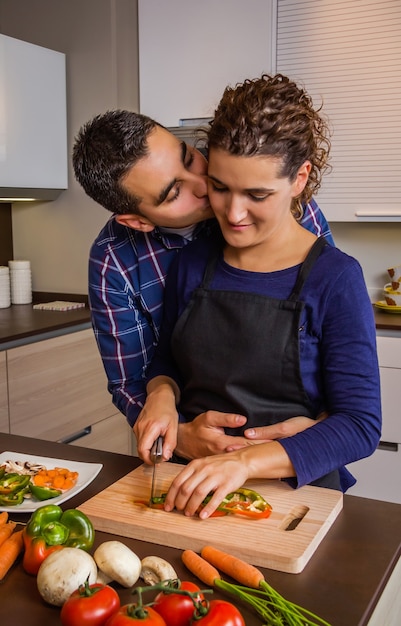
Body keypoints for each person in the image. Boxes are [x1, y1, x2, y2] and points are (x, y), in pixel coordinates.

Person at [136, 74, 381, 518]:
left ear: (300, 178)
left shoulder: (336, 278)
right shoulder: (193, 262)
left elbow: (359, 426)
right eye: (221, 186)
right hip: (188, 483)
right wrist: (160, 396)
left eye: (257, 194)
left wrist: (243, 462)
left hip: (293, 497)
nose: (232, 213)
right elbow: (167, 362)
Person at [72, 109, 335, 460]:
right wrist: (179, 436)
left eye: (189, 158)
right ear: (137, 221)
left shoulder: (279, 200)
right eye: (173, 192)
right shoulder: (115, 261)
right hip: (196, 460)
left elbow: (338, 328)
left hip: (297, 448)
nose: (203, 184)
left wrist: (325, 427)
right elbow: (132, 379)